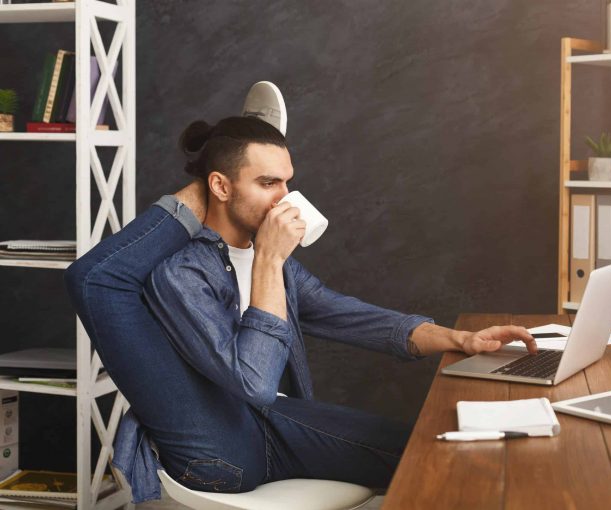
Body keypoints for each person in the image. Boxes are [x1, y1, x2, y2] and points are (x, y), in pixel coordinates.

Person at [64, 85, 536, 503]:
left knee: (430, 446)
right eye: (268, 183)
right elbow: (253, 382)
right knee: (423, 455)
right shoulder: (184, 273)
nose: (284, 198)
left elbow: (352, 316)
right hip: (227, 452)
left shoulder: (278, 266)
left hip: (273, 423)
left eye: (287, 182)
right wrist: (267, 259)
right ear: (220, 186)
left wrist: (459, 340)